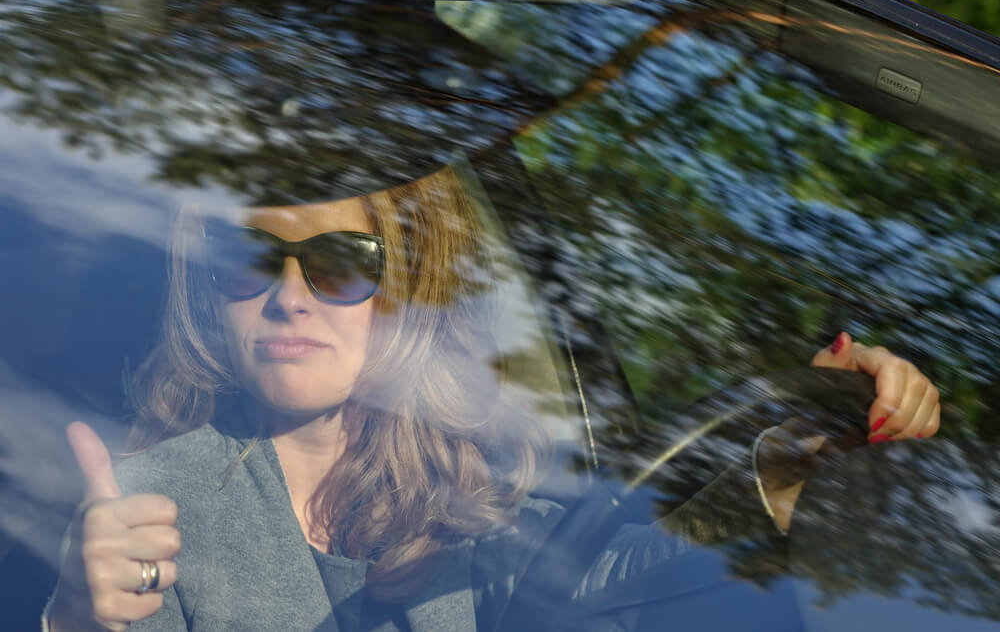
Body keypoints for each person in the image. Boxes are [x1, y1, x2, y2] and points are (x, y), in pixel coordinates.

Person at [43, 164, 940, 632]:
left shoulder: (472, 486)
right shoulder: (147, 511)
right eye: (247, 260)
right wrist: (79, 618)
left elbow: (622, 580)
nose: (289, 297)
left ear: (409, 285)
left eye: (341, 264)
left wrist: (780, 461)